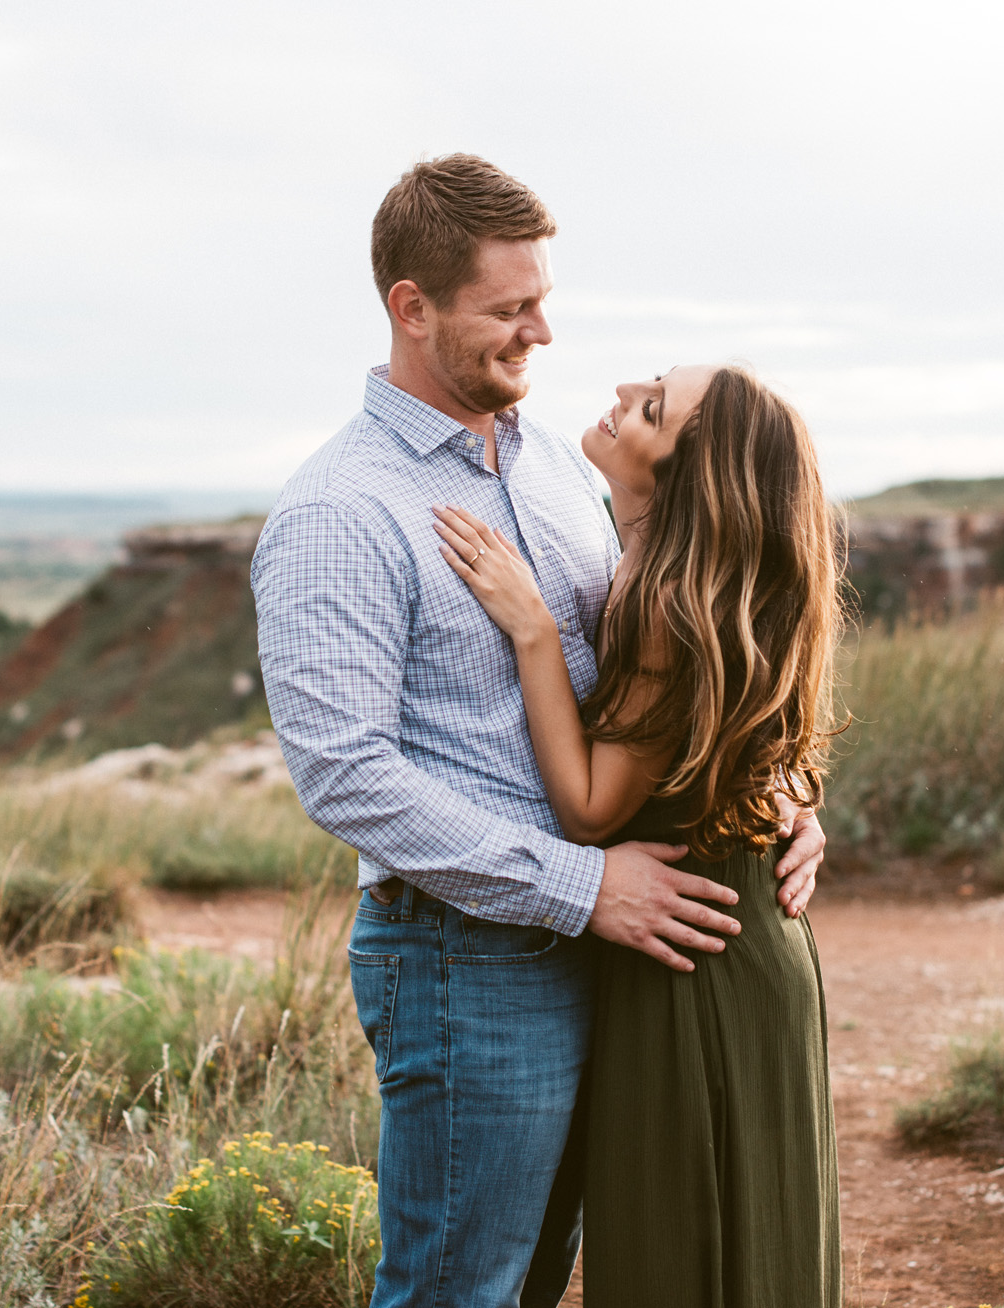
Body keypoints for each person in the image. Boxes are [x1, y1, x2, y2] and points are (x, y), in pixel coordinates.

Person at [250, 153, 827, 1308]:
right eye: (509, 309)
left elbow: (675, 674)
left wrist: (779, 798)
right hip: (468, 959)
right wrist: (581, 885)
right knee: (459, 1290)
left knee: (537, 1282)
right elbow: (345, 775)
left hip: (611, 953)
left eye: (543, 300)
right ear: (412, 308)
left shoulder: (560, 468)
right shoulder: (338, 511)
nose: (543, 334)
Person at [431, 362, 843, 1306]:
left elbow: (589, 808)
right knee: (755, 1240)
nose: (623, 392)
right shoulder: (697, 581)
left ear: (687, 477)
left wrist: (534, 632)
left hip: (693, 960)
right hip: (744, 938)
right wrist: (790, 799)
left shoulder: (661, 600)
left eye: (652, 408)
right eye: (651, 382)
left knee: (679, 1247)